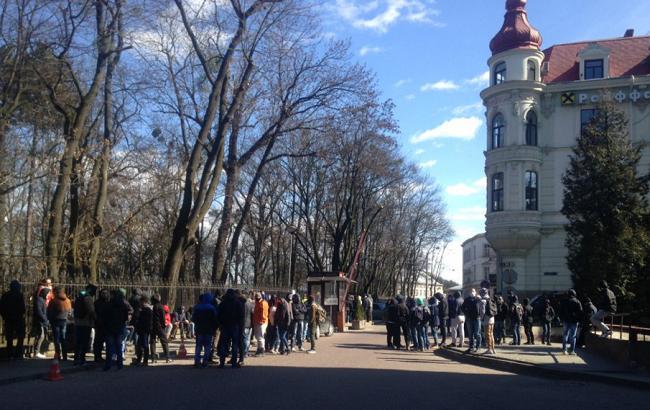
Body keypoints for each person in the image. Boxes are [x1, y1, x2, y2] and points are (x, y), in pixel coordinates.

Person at [102, 289, 133, 370]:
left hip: (110, 328)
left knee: (109, 347)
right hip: (119, 327)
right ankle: (120, 364)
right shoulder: (123, 305)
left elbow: (104, 316)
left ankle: (108, 365)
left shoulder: (108, 304)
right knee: (119, 346)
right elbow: (126, 317)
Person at [217, 289, 244, 368]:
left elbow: (218, 315)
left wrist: (220, 324)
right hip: (235, 325)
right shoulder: (237, 303)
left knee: (224, 344)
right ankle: (234, 362)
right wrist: (239, 325)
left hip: (225, 325)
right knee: (234, 344)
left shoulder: (223, 303)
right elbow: (241, 315)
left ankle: (222, 362)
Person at [0, 280, 26, 359]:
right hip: (18, 319)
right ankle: (18, 353)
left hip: (8, 319)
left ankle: (9, 353)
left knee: (9, 337)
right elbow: (22, 308)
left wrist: (4, 316)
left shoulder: (5, 295)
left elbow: (1, 308)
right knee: (20, 336)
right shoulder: (19, 295)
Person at [73, 284, 97, 365]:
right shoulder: (88, 298)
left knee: (78, 341)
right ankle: (82, 359)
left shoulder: (79, 297)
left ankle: (76, 358)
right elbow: (91, 311)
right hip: (86, 323)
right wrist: (95, 319)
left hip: (77, 322)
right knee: (84, 342)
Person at [192, 293, 218, 368]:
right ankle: (205, 362)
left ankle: (197, 362)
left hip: (199, 329)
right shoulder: (212, 308)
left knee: (198, 346)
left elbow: (193, 319)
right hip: (208, 330)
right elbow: (215, 320)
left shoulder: (197, 307)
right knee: (207, 347)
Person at [47, 287, 72, 360]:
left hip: (55, 321)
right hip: (64, 320)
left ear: (56, 292)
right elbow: (70, 311)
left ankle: (58, 355)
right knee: (63, 338)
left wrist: (49, 319)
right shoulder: (67, 300)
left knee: (56, 339)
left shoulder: (54, 301)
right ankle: (65, 355)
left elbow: (49, 311)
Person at [560, 289, 583, 355]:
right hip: (574, 321)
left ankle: (564, 350)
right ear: (574, 294)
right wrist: (578, 319)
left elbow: (560, 311)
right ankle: (572, 351)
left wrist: (562, 319)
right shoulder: (577, 301)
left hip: (566, 320)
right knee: (573, 336)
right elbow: (580, 312)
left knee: (565, 335)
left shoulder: (564, 301)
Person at [150, 293, 172, 363]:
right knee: (164, 342)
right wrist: (163, 326)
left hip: (153, 326)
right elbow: (163, 318)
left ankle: (153, 358)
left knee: (152, 342)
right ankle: (167, 357)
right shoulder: (161, 307)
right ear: (159, 299)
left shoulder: (152, 307)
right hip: (160, 326)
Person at [134, 294, 153, 366]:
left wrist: (147, 329)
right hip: (142, 330)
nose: (140, 304)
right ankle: (139, 360)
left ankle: (145, 361)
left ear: (144, 302)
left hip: (144, 330)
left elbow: (148, 322)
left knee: (144, 345)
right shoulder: (143, 310)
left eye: (141, 302)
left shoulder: (147, 310)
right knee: (139, 345)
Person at [32, 287, 50, 359]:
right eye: (47, 293)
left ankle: (37, 352)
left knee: (41, 336)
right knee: (41, 336)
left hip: (42, 321)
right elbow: (39, 311)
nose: (48, 295)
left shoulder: (42, 300)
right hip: (40, 321)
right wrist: (45, 319)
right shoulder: (39, 300)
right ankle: (36, 352)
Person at [93, 289, 110, 362]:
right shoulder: (97, 303)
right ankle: (97, 356)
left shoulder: (109, 303)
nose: (104, 295)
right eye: (103, 293)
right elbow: (94, 313)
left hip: (107, 324)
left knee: (107, 342)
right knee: (98, 342)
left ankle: (107, 357)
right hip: (99, 325)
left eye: (106, 293)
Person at [463, 289, 481, 353]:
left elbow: (482, 307)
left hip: (477, 319)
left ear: (475, 292)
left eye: (473, 291)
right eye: (471, 291)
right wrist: (466, 314)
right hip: (469, 319)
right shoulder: (467, 300)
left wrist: (480, 315)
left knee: (477, 333)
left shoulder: (478, 299)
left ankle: (478, 347)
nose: (472, 292)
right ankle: (471, 347)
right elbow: (462, 307)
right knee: (470, 334)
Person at [239, 292, 254, 364]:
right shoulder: (250, 304)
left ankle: (244, 352)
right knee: (247, 339)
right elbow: (252, 314)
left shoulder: (241, 304)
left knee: (244, 339)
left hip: (243, 323)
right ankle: (246, 351)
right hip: (249, 323)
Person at [253, 292, 269, 357]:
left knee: (260, 337)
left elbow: (264, 314)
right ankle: (259, 349)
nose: (256, 298)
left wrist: (262, 321)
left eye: (256, 297)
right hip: (258, 321)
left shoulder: (263, 303)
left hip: (261, 322)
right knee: (258, 337)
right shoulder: (258, 302)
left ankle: (262, 350)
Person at [481, 289, 496, 355]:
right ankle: (493, 349)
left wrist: (481, 319)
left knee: (487, 334)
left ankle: (489, 349)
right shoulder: (490, 299)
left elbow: (482, 312)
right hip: (492, 318)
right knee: (491, 334)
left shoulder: (483, 301)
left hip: (486, 319)